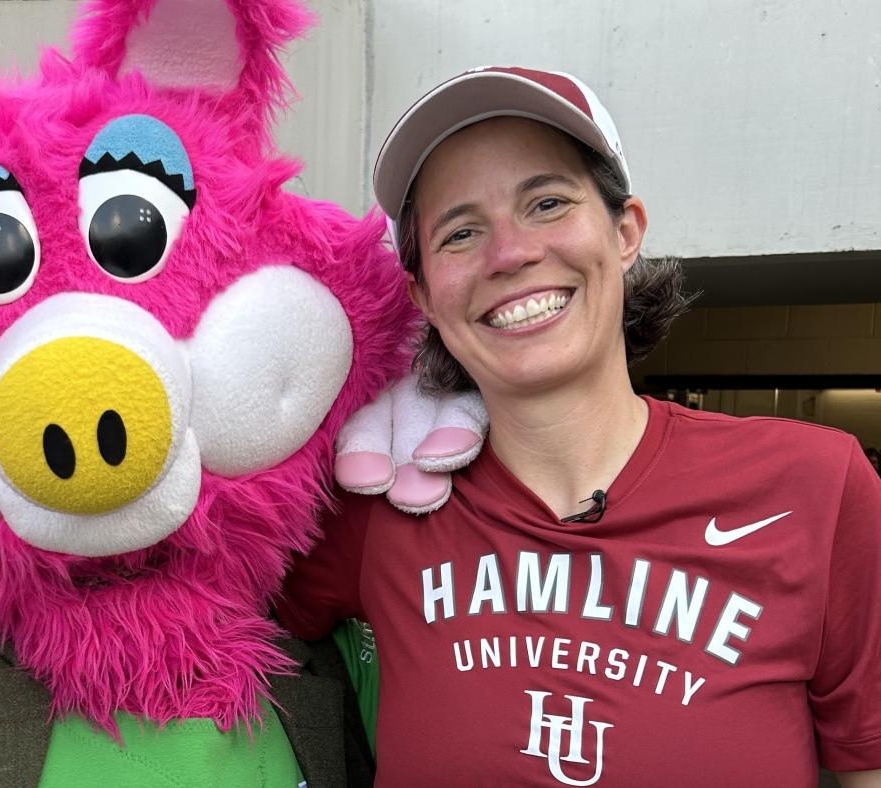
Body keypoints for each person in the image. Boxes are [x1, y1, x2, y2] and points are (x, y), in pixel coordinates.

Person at [276, 67, 881, 786]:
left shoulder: (816, 488)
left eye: (547, 203)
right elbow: (183, 601)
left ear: (626, 232)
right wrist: (336, 411)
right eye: (461, 232)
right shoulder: (378, 511)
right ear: (423, 295)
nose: (510, 253)